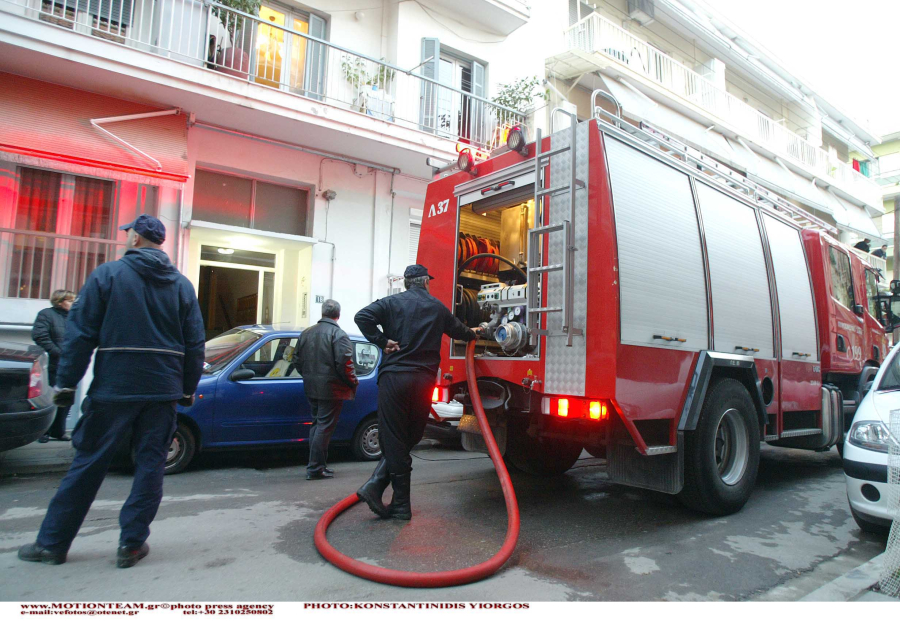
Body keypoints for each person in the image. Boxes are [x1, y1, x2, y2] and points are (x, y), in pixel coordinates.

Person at [18, 214, 205, 568]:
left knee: (89, 462)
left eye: (127, 233)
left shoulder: (108, 275)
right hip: (162, 390)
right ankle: (131, 545)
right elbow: (194, 342)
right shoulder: (181, 285)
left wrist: (67, 382)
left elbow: (81, 332)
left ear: (135, 238)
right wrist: (186, 388)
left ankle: (52, 544)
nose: (125, 238)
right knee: (151, 464)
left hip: (116, 387)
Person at [354, 264, 478, 520]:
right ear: (425, 283)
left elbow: (361, 317)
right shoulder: (436, 307)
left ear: (407, 283)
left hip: (394, 380)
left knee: (395, 438)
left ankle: (388, 494)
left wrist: (381, 341)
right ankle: (383, 491)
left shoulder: (390, 303)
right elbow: (462, 333)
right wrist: (479, 331)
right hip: (422, 381)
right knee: (409, 437)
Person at [293, 299, 358, 480]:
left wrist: (308, 375)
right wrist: (353, 381)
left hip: (311, 386)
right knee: (323, 427)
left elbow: (296, 360)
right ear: (338, 315)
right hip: (331, 389)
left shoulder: (306, 333)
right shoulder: (338, 334)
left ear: (322, 313)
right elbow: (345, 363)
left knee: (317, 425)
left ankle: (318, 465)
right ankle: (315, 468)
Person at [32, 289, 76, 443]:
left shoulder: (75, 317)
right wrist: (57, 352)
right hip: (53, 364)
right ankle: (43, 432)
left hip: (71, 364)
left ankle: (58, 432)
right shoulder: (46, 314)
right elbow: (39, 336)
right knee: (50, 399)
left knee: (66, 398)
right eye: (70, 300)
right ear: (59, 301)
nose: (73, 303)